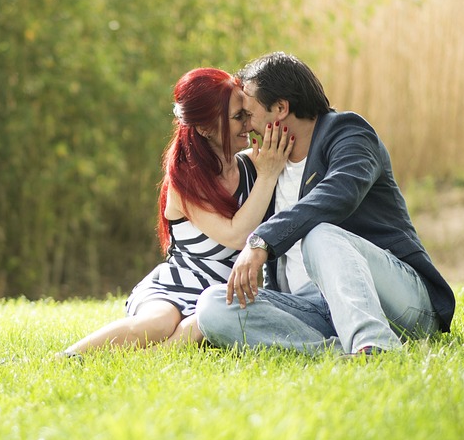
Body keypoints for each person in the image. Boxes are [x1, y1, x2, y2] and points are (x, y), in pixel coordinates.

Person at [195, 51, 455, 356]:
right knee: (213, 305)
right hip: (320, 309)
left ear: (280, 108)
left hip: (400, 302)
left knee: (320, 235)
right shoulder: (267, 163)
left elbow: (337, 194)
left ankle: (376, 347)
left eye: (249, 113)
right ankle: (335, 353)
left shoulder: (349, 134)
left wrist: (261, 241)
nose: (246, 124)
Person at [60, 67, 292, 356]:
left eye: (246, 114)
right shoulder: (185, 182)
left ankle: (149, 361)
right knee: (158, 324)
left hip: (221, 298)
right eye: (238, 117)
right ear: (205, 128)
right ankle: (65, 359)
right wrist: (268, 176)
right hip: (174, 288)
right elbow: (237, 236)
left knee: (198, 324)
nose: (248, 124)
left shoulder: (252, 167)